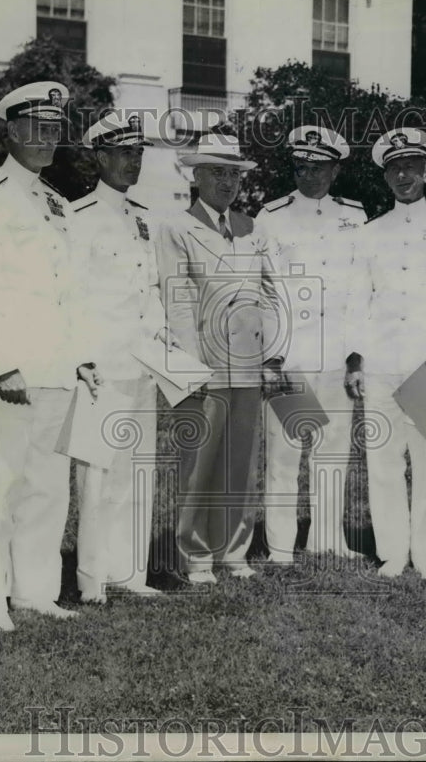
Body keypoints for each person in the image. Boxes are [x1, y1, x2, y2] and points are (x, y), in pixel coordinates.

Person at [0, 81, 98, 630]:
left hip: (57, 364)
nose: (47, 140)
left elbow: (70, 288)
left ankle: (35, 590)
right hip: (15, 368)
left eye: (54, 130)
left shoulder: (55, 201)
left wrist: (83, 355)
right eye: (37, 129)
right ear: (11, 131)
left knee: (47, 482)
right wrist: (5, 360)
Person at [155, 132, 283, 584]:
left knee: (242, 463)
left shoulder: (252, 228)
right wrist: (192, 368)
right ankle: (197, 556)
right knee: (200, 465)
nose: (228, 182)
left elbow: (270, 292)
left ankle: (234, 550)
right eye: (218, 172)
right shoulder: (175, 228)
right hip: (203, 365)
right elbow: (179, 301)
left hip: (247, 362)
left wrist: (271, 356)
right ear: (197, 176)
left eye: (234, 173)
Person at [346, 129, 426, 578]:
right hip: (381, 362)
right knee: (382, 462)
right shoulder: (368, 233)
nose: (404, 176)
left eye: (412, 167)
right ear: (385, 176)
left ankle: (424, 553)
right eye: (394, 169)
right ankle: (392, 553)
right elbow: (357, 301)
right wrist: (357, 360)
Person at [68, 110, 170, 602]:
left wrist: (159, 344)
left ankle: (131, 573)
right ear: (101, 157)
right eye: (126, 153)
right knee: (99, 474)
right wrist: (83, 356)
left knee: (138, 471)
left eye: (140, 153)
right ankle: (92, 581)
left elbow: (150, 289)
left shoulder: (142, 218)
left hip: (140, 363)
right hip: (102, 367)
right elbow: (71, 294)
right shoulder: (78, 216)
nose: (135, 162)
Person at [257, 125, 365, 563]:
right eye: (302, 166)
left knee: (332, 452)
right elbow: (265, 291)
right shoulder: (272, 216)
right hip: (292, 355)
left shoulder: (354, 216)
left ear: (336, 170)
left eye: (320, 167)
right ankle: (281, 546)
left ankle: (327, 539)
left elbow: (360, 291)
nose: (310, 175)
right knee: (284, 456)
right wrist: (272, 357)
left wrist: (356, 357)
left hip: (336, 354)